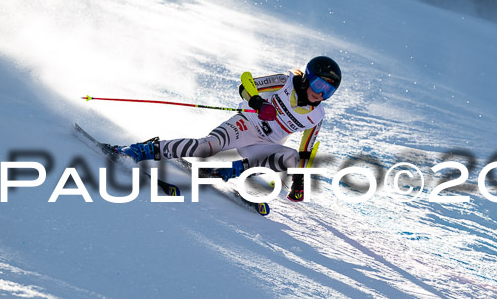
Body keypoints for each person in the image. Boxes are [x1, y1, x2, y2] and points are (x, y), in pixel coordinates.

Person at [115, 56, 342, 201]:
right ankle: (139, 150)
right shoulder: (286, 81)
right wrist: (258, 103)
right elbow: (246, 83)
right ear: (307, 78)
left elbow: (306, 151)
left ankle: (232, 171)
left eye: (329, 92)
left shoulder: (316, 116)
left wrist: (299, 181)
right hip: (247, 125)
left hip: (265, 146)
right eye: (319, 85)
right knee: (206, 147)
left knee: (291, 157)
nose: (321, 94)